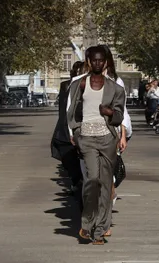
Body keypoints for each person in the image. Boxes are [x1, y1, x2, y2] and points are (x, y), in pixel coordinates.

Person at [67, 45, 127, 245]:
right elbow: (72, 112)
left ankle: (100, 230)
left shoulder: (116, 88)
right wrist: (76, 132)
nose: (98, 63)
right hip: (87, 138)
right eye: (95, 60)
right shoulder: (79, 85)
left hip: (107, 138)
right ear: (89, 61)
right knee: (92, 180)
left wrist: (110, 113)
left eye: (102, 60)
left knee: (105, 184)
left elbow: (120, 116)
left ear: (106, 62)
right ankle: (87, 224)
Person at [52, 61, 86, 197]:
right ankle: (76, 180)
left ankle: (79, 181)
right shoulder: (66, 85)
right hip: (66, 126)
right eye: (76, 71)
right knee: (67, 154)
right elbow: (63, 108)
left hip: (83, 125)